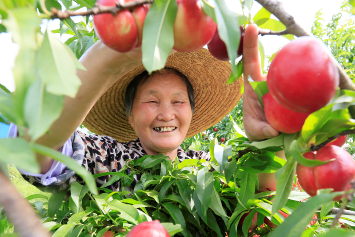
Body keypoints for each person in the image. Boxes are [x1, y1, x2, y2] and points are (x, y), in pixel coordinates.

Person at [9, 24, 280, 191]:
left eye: (178, 101)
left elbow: (261, 196)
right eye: (151, 101)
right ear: (129, 115)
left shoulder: (207, 166)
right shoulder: (108, 159)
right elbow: (37, 149)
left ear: (191, 111)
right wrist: (107, 60)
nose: (166, 114)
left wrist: (267, 146)